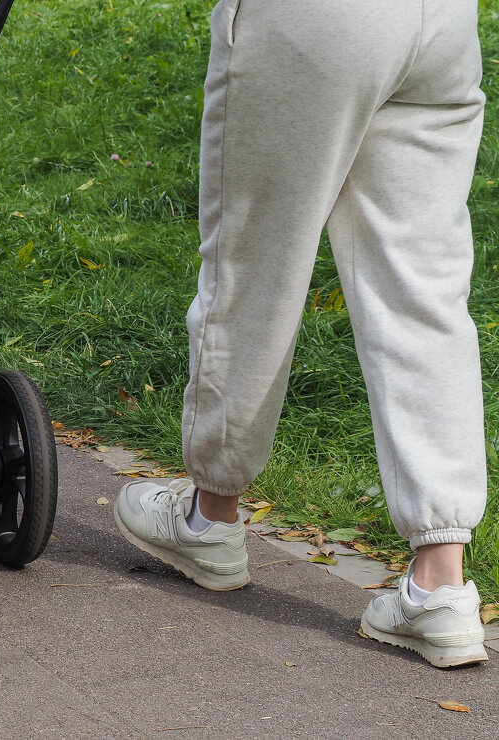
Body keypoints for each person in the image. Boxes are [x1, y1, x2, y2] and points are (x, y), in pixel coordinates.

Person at [113, 0, 490, 668]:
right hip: (442, 22)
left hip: (316, 19)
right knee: (422, 286)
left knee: (254, 264)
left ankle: (210, 519)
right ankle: (440, 583)